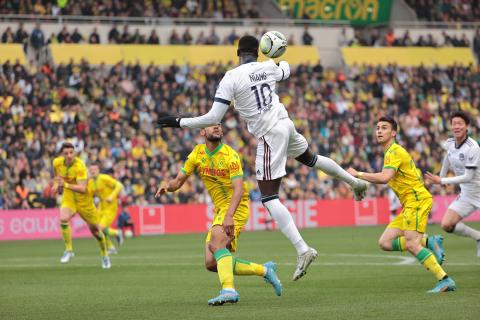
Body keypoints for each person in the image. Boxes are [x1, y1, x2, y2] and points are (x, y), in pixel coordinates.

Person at [157, 35, 367, 281]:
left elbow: (213, 116)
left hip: (269, 133)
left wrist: (179, 122)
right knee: (312, 159)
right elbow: (286, 68)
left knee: (268, 197)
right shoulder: (269, 66)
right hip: (285, 123)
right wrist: (276, 58)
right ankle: (355, 182)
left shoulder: (231, 77)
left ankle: (303, 249)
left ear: (238, 53)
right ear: (258, 52)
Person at [155, 124, 282, 305]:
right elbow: (178, 181)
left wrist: (229, 215)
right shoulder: (197, 154)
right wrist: (167, 186)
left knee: (216, 240)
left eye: (219, 125)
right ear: (202, 132)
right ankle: (265, 270)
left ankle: (229, 290)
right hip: (220, 209)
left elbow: (238, 188)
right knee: (211, 262)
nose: (217, 127)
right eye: (212, 125)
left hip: (235, 206)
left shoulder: (230, 155)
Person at [347, 116, 456, 293]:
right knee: (385, 243)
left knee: (413, 244)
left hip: (417, 200)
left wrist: (358, 174)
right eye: (377, 128)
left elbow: (384, 178)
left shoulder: (394, 151)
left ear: (394, 133)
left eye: (384, 128)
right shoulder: (389, 152)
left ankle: (445, 279)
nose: (379, 131)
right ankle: (429, 241)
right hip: (409, 204)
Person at [425, 111, 480, 256]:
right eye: (454, 124)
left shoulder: (473, 147)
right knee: (446, 224)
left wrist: (442, 180)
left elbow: (468, 176)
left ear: (466, 126)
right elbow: (448, 157)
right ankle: (478, 237)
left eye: (459, 123)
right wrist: (441, 176)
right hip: (467, 194)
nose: (456, 126)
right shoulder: (449, 143)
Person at [52, 142, 111, 269]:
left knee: (96, 231)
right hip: (69, 198)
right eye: (66, 153)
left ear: (74, 153)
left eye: (71, 153)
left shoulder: (80, 166)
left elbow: (83, 188)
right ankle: (69, 250)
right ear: (62, 154)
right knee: (63, 218)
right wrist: (57, 185)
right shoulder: (56, 162)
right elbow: (57, 176)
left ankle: (105, 254)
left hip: (85, 201)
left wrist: (65, 185)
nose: (68, 155)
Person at [88, 162, 124, 255]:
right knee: (97, 229)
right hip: (101, 207)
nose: (93, 172)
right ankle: (111, 247)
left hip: (111, 207)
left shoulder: (104, 178)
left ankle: (117, 233)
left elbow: (119, 185)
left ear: (98, 170)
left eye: (95, 170)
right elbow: (89, 196)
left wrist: (111, 196)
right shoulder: (91, 183)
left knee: (100, 228)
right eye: (91, 170)